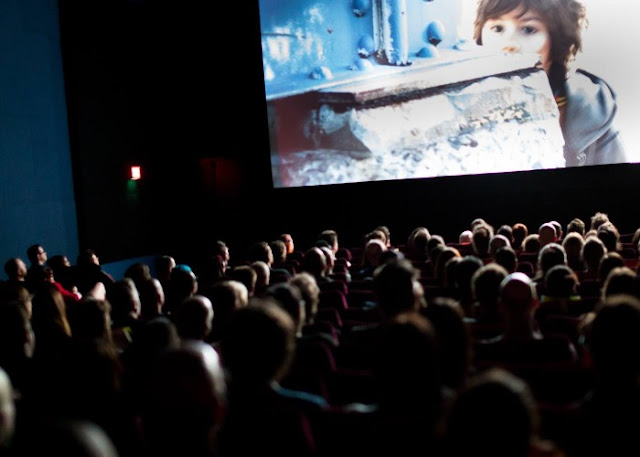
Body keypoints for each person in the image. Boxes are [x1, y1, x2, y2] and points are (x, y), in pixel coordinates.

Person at [474, 0, 627, 166]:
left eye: (528, 29)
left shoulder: (592, 118)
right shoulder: (461, 112)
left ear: (556, 41)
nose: (508, 44)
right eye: (497, 28)